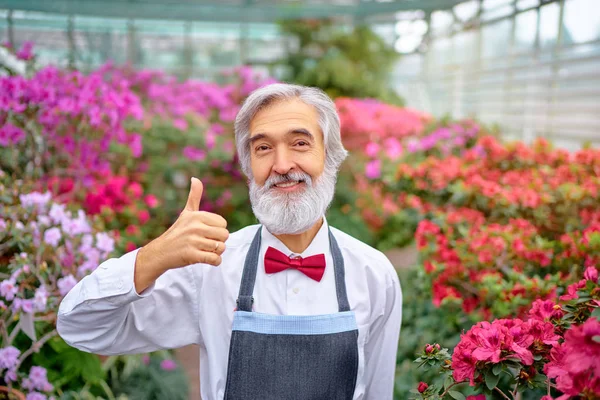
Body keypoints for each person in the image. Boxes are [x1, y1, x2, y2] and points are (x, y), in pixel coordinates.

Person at [57, 83, 402, 400]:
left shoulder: (374, 274)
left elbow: (378, 392)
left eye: (300, 143)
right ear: (249, 166)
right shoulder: (210, 268)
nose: (282, 165)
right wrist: (153, 257)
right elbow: (81, 327)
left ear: (329, 156)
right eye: (263, 148)